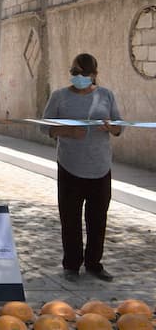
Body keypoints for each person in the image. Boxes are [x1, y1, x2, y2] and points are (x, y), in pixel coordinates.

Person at [42, 52, 122, 283]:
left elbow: (119, 126)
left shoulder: (106, 95)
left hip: (100, 167)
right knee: (70, 218)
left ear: (94, 75)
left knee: (98, 219)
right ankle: (71, 265)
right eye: (75, 73)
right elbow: (44, 126)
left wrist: (111, 127)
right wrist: (66, 131)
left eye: (84, 73)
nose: (79, 77)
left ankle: (94, 264)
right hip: (70, 166)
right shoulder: (59, 97)